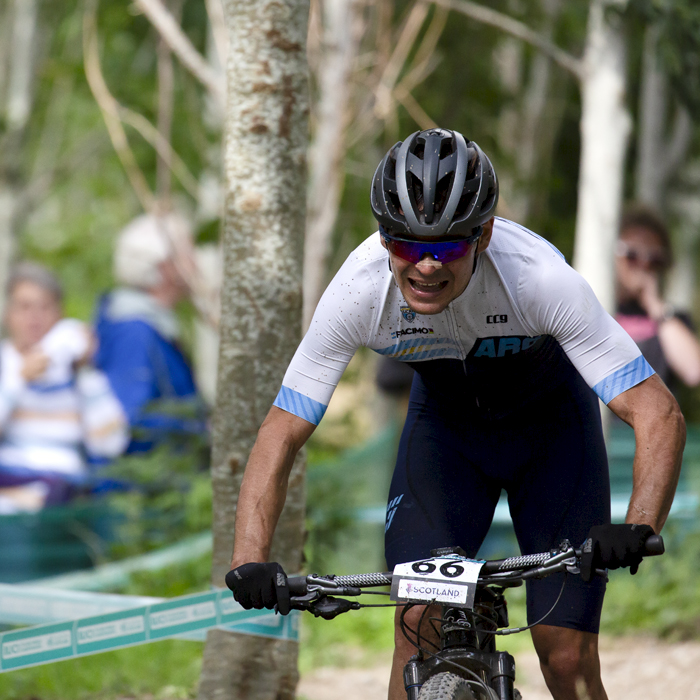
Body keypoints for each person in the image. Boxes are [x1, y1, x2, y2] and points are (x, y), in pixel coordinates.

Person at [225, 129, 685, 700]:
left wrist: (639, 525)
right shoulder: (358, 290)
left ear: (484, 234)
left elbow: (657, 411)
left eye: (445, 248)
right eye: (404, 245)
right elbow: (280, 432)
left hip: (552, 437)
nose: (423, 266)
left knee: (565, 654)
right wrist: (250, 560)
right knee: (417, 627)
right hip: (448, 443)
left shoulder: (538, 279)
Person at [0, 263, 128, 512]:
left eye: (44, 307)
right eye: (24, 307)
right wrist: (17, 381)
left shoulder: (78, 371)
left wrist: (86, 372)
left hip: (63, 486)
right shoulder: (4, 364)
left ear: (60, 314)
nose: (34, 318)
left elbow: (112, 444)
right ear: (8, 314)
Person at [94, 213, 206, 454]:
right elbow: (131, 420)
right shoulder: (133, 332)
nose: (196, 263)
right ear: (164, 265)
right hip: (139, 487)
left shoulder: (156, 327)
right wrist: (199, 430)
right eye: (189, 253)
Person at [615, 204, 700, 390]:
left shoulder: (672, 318)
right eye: (632, 255)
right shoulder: (596, 306)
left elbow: (694, 371)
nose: (643, 265)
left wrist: (655, 305)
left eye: (654, 259)